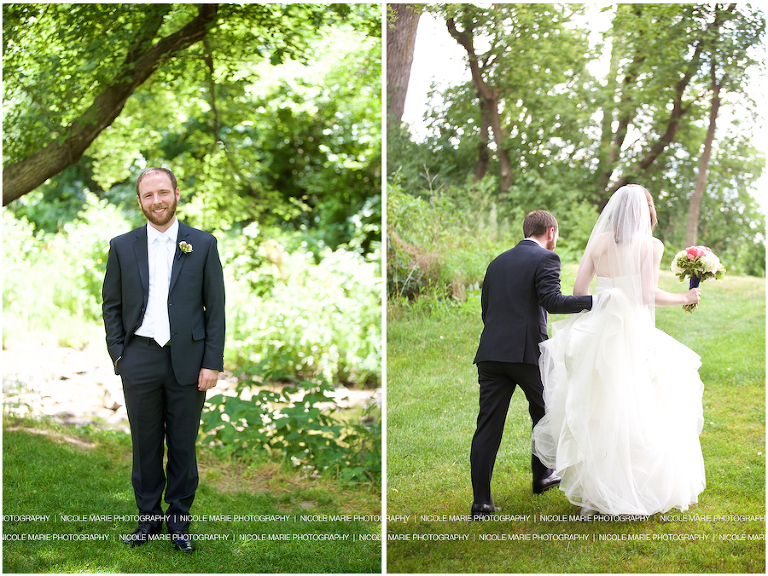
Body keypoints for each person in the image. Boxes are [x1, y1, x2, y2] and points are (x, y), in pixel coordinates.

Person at [532, 184, 705, 518]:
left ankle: (599, 491)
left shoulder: (597, 242)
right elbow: (645, 294)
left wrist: (607, 295)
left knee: (599, 408)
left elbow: (579, 291)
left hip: (597, 331)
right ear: (646, 212)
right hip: (633, 331)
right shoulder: (652, 245)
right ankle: (639, 488)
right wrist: (684, 297)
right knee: (641, 405)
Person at [102, 167, 225, 552]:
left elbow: (216, 308)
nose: (157, 201)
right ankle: (148, 520)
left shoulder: (202, 244)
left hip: (188, 360)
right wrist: (119, 354)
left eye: (163, 192)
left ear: (175, 194)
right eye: (148, 195)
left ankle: (180, 523)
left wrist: (212, 362)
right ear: (139, 202)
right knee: (146, 444)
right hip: (138, 357)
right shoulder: (122, 245)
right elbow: (111, 305)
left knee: (184, 445)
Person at [470, 210, 595, 520]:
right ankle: (541, 477)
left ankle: (482, 503)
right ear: (550, 232)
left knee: (487, 425)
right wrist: (595, 301)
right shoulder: (547, 260)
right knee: (548, 411)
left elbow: (487, 308)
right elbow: (552, 301)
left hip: (490, 353)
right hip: (526, 354)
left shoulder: (497, 262)